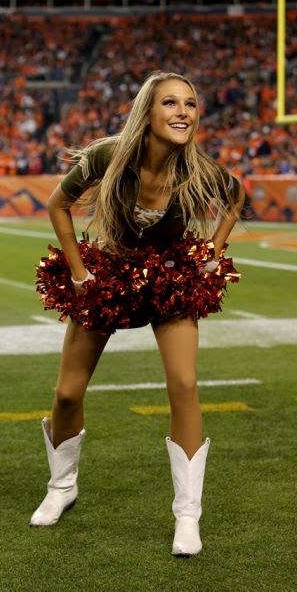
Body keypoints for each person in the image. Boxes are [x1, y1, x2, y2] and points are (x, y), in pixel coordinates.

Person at [31, 71, 246, 557]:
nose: (182, 112)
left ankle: (187, 516)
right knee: (67, 393)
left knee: (184, 384)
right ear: (147, 112)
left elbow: (235, 197)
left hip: (170, 278)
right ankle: (62, 487)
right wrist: (79, 270)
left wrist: (212, 250)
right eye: (170, 103)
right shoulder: (110, 156)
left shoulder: (198, 169)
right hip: (110, 274)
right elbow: (58, 202)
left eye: (190, 104)